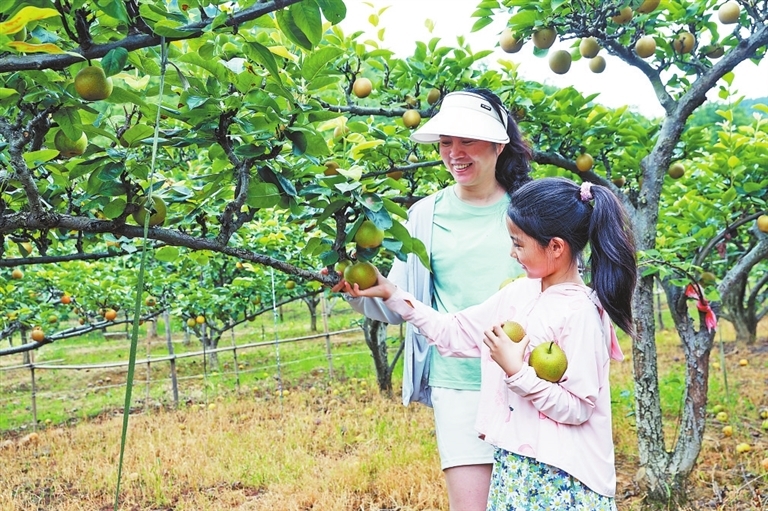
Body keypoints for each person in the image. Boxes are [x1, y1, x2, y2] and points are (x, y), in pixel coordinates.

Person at [344, 177, 637, 510]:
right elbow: (454, 332)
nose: (512, 253)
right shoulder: (519, 294)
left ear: (556, 247)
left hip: (563, 478)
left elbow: (578, 407)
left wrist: (516, 371)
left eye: (519, 244)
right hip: (517, 469)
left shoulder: (581, 312)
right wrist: (393, 294)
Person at [338, 88, 533, 510]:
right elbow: (398, 301)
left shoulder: (530, 210)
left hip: (530, 381)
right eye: (446, 142)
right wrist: (355, 289)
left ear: (499, 144)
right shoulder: (424, 215)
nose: (454, 153)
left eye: (467, 140)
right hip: (458, 384)